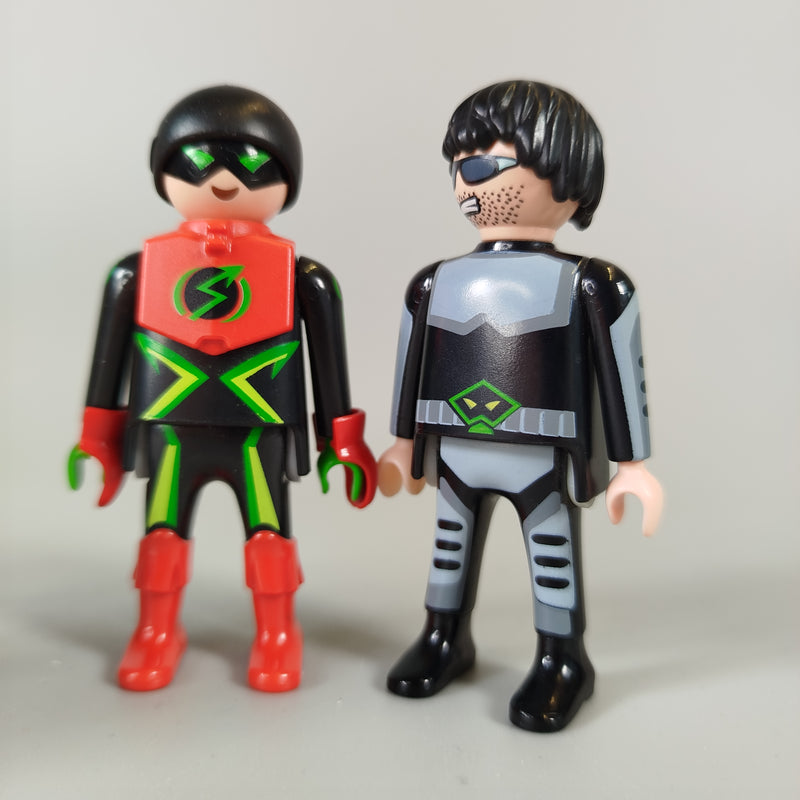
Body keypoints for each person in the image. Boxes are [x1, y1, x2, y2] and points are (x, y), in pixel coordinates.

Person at [69, 85, 376, 693]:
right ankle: (156, 630)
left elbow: (329, 363)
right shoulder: (138, 270)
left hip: (259, 429)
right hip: (171, 427)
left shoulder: (303, 276)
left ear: (287, 179)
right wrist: (98, 437)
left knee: (269, 534)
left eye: (254, 164)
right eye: (201, 162)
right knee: (162, 533)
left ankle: (278, 632)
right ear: (164, 169)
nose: (227, 180)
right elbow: (108, 361)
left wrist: (342, 440)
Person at [379, 80, 662, 732]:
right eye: (460, 166)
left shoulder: (591, 282)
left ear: (567, 175)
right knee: (448, 547)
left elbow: (624, 372)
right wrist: (403, 442)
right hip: (456, 446)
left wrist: (633, 463)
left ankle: (563, 659)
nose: (468, 181)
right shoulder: (435, 281)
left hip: (541, 451)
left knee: (552, 552)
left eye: (487, 164)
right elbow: (410, 364)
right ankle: (444, 636)